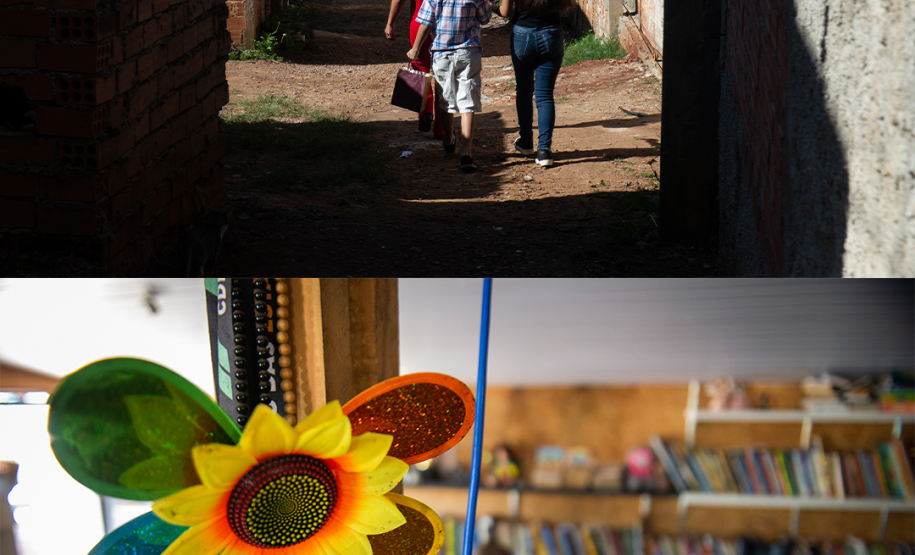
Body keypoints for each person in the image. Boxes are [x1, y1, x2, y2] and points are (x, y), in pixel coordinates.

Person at [407, 0, 491, 172]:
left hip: (441, 54)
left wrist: (415, 48)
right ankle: (466, 153)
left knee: (446, 101)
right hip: (468, 52)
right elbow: (485, 18)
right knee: (468, 103)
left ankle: (449, 139)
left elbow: (424, 22)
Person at [497, 0, 573, 166]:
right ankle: (544, 150)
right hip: (551, 33)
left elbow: (506, 12)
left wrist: (491, 9)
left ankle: (526, 141)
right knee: (545, 95)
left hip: (522, 34)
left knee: (524, 90)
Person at [386, 0, 446, 138]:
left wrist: (390, 22)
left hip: (419, 22)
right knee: (443, 73)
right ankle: (441, 128)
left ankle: (425, 112)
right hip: (444, 23)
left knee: (420, 66)